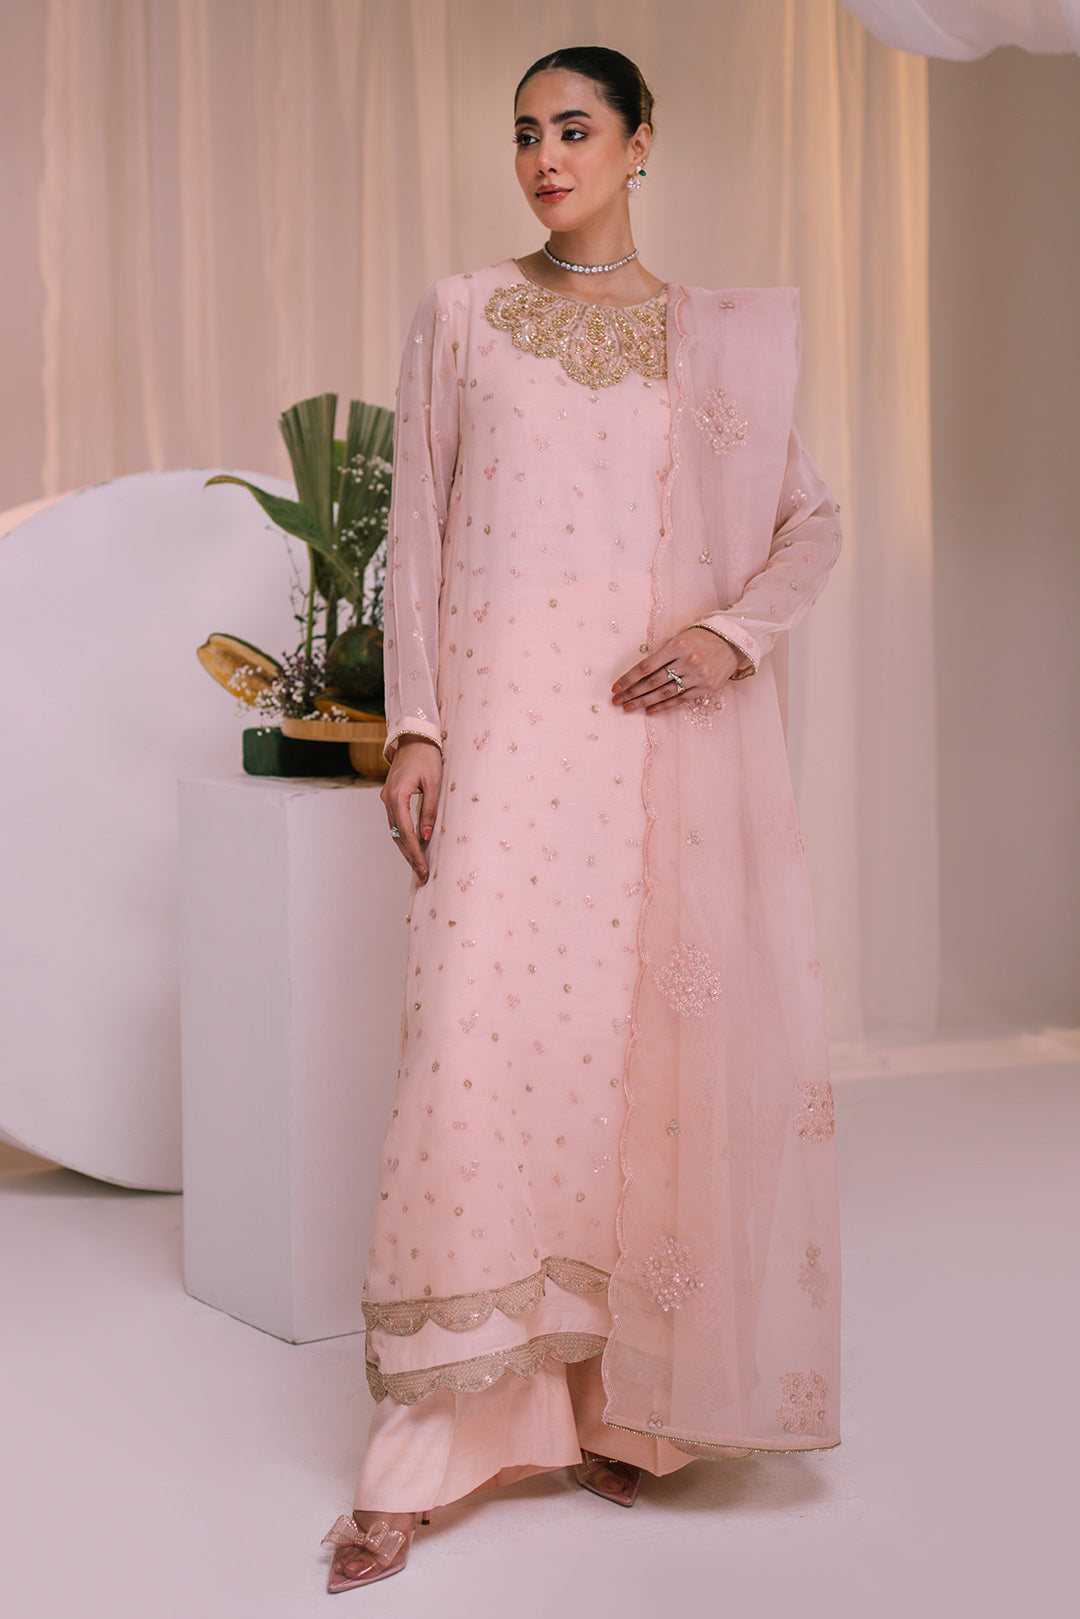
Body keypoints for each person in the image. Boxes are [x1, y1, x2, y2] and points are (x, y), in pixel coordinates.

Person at [322, 45, 843, 1592]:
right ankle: (428, 1451)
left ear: (640, 144)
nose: (545, 157)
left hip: (654, 770)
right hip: (506, 753)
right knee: (474, 1056)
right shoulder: (463, 312)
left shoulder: (712, 340)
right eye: (525, 135)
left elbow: (810, 523)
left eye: (574, 129)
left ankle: (629, 1408)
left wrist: (729, 637)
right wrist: (418, 726)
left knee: (634, 1081)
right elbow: (419, 532)